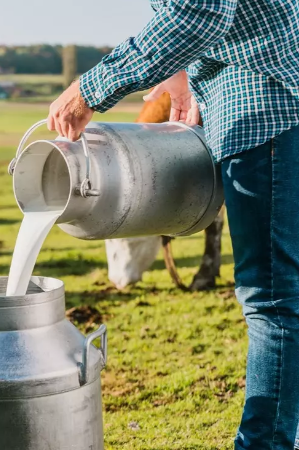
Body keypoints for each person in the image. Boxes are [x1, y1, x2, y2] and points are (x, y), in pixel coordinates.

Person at [47, 1, 299, 449]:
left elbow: (196, 15)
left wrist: (90, 89)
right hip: (277, 99)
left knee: (273, 297)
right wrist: (183, 71)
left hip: (266, 106)